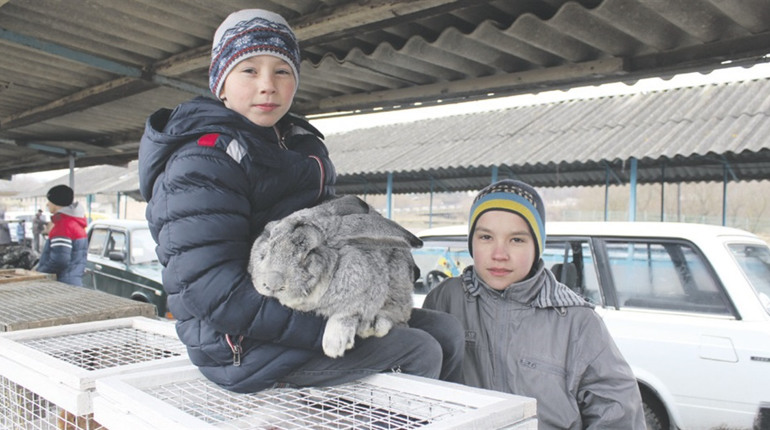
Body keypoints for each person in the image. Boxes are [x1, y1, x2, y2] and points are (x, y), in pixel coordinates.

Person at [138, 9, 463, 394]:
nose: (267, 85)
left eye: (282, 70)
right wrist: (327, 327)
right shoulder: (203, 161)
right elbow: (213, 291)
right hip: (241, 343)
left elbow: (334, 234)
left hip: (310, 303)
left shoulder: (301, 146)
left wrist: (380, 274)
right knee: (418, 350)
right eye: (249, 70)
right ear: (220, 83)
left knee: (447, 331)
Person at [423, 179, 645, 429]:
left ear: (537, 245)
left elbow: (618, 414)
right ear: (471, 241)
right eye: (486, 236)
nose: (499, 254)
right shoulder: (445, 299)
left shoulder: (576, 321)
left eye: (516, 240)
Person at [35, 185, 88, 286]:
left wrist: (39, 272)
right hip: (73, 281)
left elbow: (60, 260)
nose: (47, 204)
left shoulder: (63, 226)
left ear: (56, 203)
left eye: (49, 201)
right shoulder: (75, 222)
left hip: (61, 285)